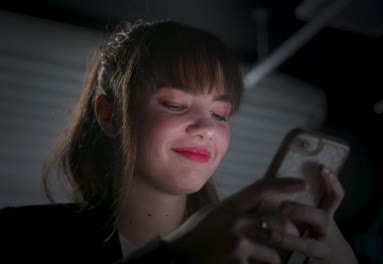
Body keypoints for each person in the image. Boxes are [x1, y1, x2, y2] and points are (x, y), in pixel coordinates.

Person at [0, 20, 358, 263]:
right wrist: (178, 255)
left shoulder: (258, 249)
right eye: (175, 104)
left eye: (220, 114)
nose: (206, 129)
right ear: (108, 114)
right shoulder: (24, 237)